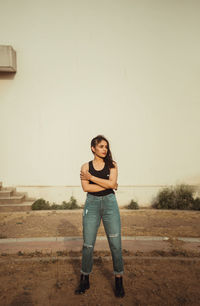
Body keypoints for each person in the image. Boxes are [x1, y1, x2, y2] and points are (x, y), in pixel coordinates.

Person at [75, 134, 125, 298]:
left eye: (106, 147)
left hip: (110, 204)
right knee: (88, 245)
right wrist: (108, 184)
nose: (105, 149)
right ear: (93, 148)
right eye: (101, 146)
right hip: (92, 205)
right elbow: (86, 189)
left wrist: (92, 179)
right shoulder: (85, 166)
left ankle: (118, 280)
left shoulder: (112, 165)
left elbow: (111, 185)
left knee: (115, 243)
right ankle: (85, 278)